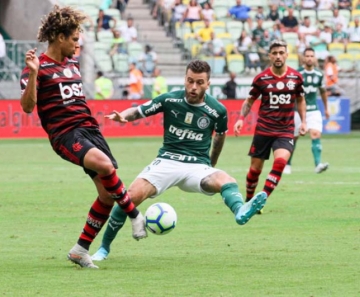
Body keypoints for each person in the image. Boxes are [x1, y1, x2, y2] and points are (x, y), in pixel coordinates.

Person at [91, 60, 267, 261]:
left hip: (197, 166)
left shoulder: (217, 110)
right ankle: (103, 248)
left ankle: (239, 210)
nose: (193, 87)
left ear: (208, 83)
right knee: (129, 196)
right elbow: (140, 110)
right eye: (190, 81)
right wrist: (122, 116)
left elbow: (219, 138)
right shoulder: (169, 100)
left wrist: (211, 165)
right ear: (185, 78)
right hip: (167, 161)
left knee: (227, 181)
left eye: (199, 82)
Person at [19, 5, 147, 269]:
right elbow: (28, 107)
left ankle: (80, 250)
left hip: (90, 130)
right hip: (64, 134)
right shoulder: (38, 66)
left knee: (106, 195)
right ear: (60, 37)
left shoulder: (73, 62)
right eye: (74, 39)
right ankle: (134, 214)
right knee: (105, 165)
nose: (77, 45)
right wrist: (32, 74)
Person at [234, 40, 307, 210]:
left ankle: (263, 197)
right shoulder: (261, 78)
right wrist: (240, 118)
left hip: (285, 131)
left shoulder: (296, 77)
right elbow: (249, 101)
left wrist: (303, 121)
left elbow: (301, 99)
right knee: (255, 170)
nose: (278, 56)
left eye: (281, 52)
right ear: (269, 56)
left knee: (280, 163)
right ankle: (249, 200)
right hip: (264, 130)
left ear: (287, 54)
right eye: (275, 53)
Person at [284, 47, 330, 174]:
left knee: (316, 134)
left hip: (313, 110)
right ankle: (287, 164)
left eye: (311, 56)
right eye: (307, 56)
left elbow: (323, 92)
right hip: (297, 111)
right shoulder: (296, 74)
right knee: (294, 138)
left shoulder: (319, 75)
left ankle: (318, 164)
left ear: (314, 58)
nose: (309, 58)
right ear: (303, 58)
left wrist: (326, 108)